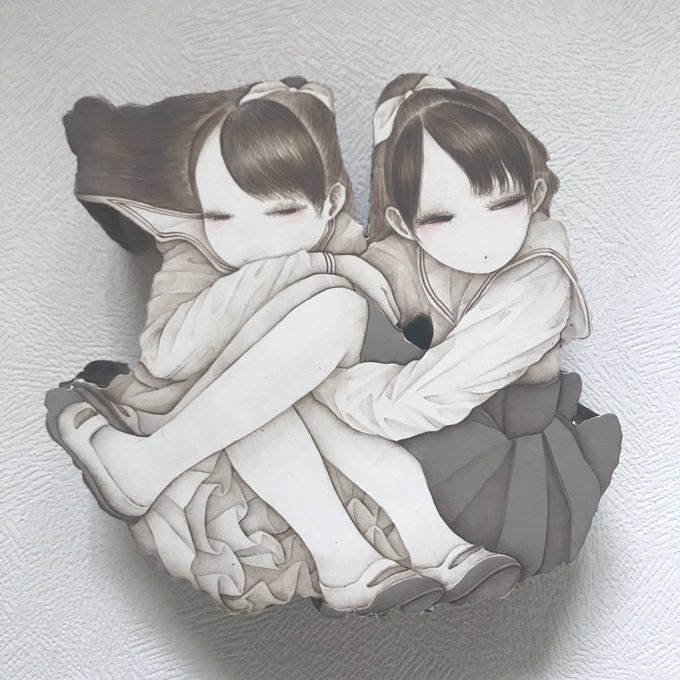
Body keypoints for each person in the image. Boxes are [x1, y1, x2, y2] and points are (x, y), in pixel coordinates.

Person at [47, 77, 520, 617]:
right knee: (268, 394)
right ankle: (385, 555)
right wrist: (303, 266)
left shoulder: (349, 241)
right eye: (220, 216)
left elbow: (393, 306)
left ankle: (154, 464)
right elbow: (168, 355)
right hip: (307, 411)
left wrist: (326, 271)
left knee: (333, 313)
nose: (252, 238)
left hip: (390, 389)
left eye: (281, 212)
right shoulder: (201, 258)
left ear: (330, 202)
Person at [313, 73, 622, 579]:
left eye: (502, 203)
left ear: (534, 193)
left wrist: (326, 386)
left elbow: (423, 400)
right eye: (441, 217)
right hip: (443, 433)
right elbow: (363, 274)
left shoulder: (539, 273)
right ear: (405, 223)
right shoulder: (409, 255)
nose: (479, 230)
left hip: (508, 476)